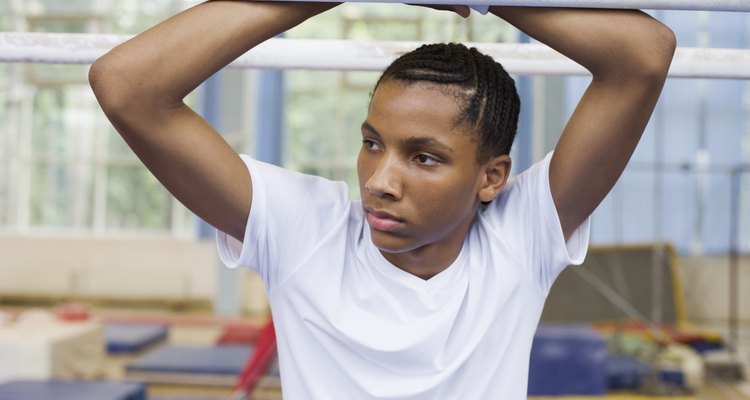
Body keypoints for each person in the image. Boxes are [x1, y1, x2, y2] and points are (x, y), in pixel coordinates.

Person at [89, 1, 676, 398]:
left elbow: (643, 55)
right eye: (373, 143)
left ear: (491, 177)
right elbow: (127, 86)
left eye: (423, 157)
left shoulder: (518, 239)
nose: (379, 180)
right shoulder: (305, 232)